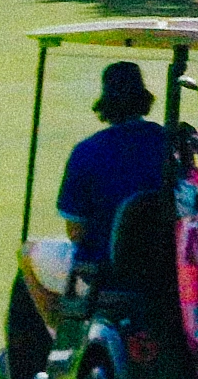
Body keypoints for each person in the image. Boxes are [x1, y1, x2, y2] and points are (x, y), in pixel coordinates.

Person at [52, 60, 169, 284]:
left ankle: (60, 320)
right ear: (143, 98)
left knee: (29, 254)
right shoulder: (169, 143)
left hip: (104, 270)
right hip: (166, 269)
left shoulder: (86, 151)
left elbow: (75, 230)